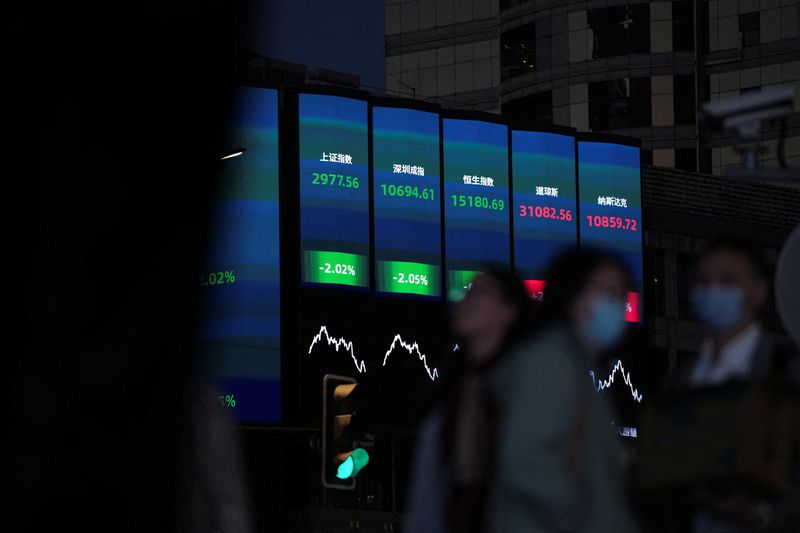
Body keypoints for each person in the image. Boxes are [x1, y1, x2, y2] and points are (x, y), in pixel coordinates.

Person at [482, 249, 640, 533]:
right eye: (608, 291)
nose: (619, 305)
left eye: (622, 295)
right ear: (572, 292)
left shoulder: (575, 366)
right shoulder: (551, 360)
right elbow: (525, 465)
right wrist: (591, 517)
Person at [658, 239, 800, 532]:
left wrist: (761, 513)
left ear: (759, 291)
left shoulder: (786, 371)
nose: (713, 290)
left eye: (727, 280)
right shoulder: (682, 379)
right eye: (704, 281)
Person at [403, 266, 534, 533]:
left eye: (480, 291)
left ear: (509, 311)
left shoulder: (529, 390)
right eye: (466, 292)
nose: (465, 301)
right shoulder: (452, 391)